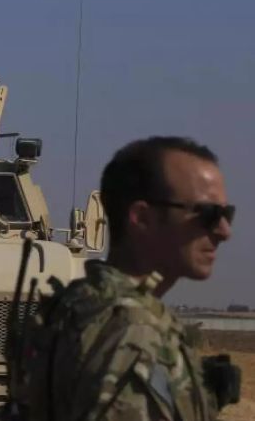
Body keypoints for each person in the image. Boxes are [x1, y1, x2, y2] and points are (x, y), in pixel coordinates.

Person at [16, 136, 236, 420]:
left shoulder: (77, 307)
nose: (223, 230)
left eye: (226, 214)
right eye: (207, 214)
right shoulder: (134, 336)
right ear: (142, 218)